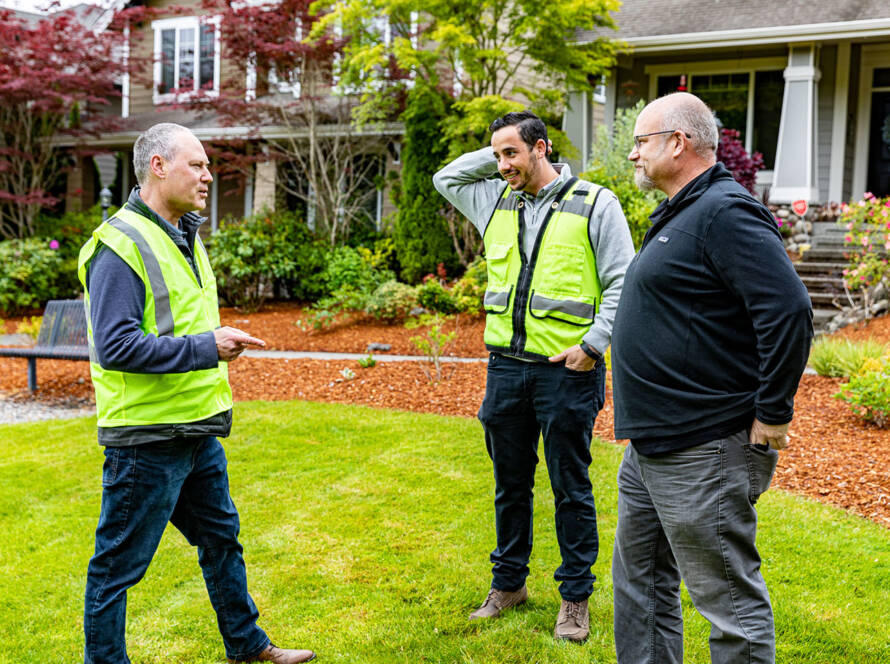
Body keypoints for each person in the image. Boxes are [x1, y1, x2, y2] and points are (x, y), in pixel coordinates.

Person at [77, 123, 315, 664]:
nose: (208, 175)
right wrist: (208, 347)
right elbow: (116, 347)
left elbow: (176, 322)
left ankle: (248, 647)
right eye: (197, 164)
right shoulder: (119, 244)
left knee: (221, 541)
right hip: (146, 438)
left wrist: (211, 341)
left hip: (197, 429)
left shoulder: (184, 233)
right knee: (117, 567)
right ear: (158, 166)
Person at [610, 93, 813, 663]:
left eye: (641, 142)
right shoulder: (683, 211)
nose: (632, 154)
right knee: (640, 585)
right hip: (652, 445)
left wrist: (773, 412)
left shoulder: (725, 211)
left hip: (704, 446)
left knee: (728, 603)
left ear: (678, 142)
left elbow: (788, 310)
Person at [433, 110, 634, 641]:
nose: (501, 166)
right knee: (510, 485)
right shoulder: (493, 198)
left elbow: (623, 281)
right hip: (504, 371)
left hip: (566, 372)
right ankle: (508, 584)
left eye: (512, 154)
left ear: (542, 148)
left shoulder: (594, 203)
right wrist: (500, 149)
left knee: (571, 487)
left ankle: (574, 598)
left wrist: (593, 347)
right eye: (496, 156)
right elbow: (445, 178)